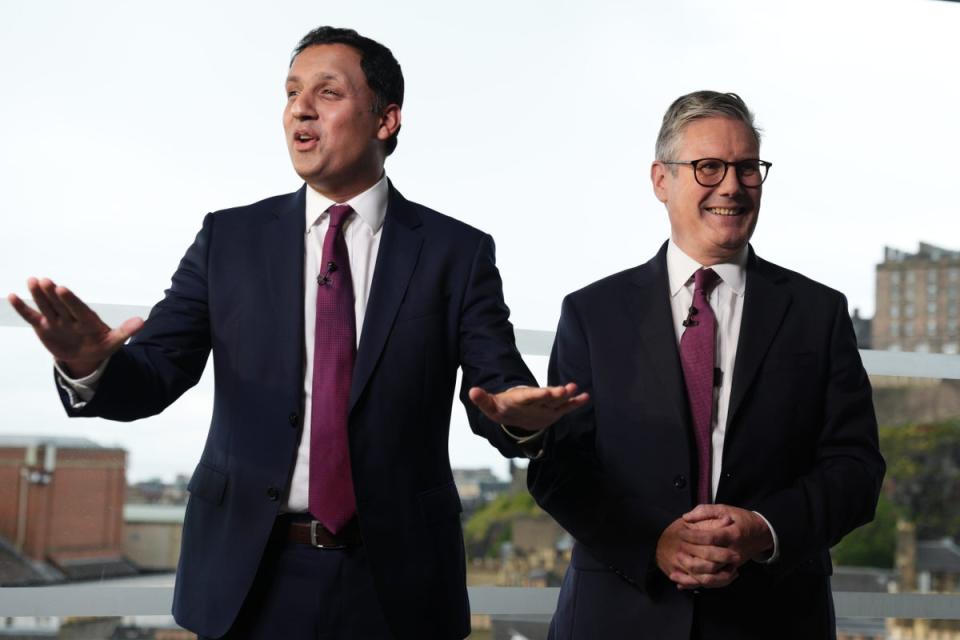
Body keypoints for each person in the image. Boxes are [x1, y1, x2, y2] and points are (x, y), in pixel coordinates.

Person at [7, 26, 585, 640]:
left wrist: (520, 416)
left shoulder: (455, 252)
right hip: (248, 577)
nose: (300, 109)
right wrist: (89, 367)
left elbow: (498, 388)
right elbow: (154, 377)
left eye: (327, 92)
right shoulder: (228, 240)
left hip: (397, 581)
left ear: (386, 120)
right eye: (291, 93)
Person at [527, 91, 885, 639]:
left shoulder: (819, 314)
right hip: (618, 616)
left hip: (773, 619)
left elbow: (856, 469)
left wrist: (764, 529)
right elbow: (559, 469)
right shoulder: (591, 314)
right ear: (660, 180)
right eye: (708, 167)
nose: (732, 186)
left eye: (747, 168)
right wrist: (654, 543)